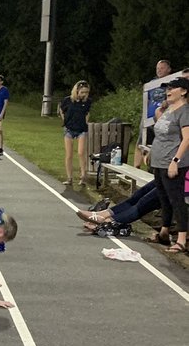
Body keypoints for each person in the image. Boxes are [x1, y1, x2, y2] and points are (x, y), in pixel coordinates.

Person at [147, 77, 189, 253]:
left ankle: (181, 239)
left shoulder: (184, 111)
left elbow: (187, 138)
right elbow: (160, 134)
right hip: (159, 161)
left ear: (184, 91)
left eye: (173, 88)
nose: (168, 91)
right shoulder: (168, 109)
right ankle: (164, 232)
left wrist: (175, 161)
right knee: (164, 199)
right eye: (167, 88)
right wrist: (150, 152)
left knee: (177, 200)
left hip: (173, 164)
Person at [74, 182, 159, 235]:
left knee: (143, 203)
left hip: (171, 183)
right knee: (137, 195)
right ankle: (102, 214)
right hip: (165, 175)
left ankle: (108, 222)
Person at [58, 81, 93, 186]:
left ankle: (83, 176)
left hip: (81, 129)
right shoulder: (67, 100)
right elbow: (61, 109)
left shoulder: (87, 102)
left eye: (86, 92)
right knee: (69, 154)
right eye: (82, 92)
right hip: (69, 129)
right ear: (77, 91)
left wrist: (86, 122)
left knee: (81, 153)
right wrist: (65, 121)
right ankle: (69, 178)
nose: (84, 94)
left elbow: (87, 113)